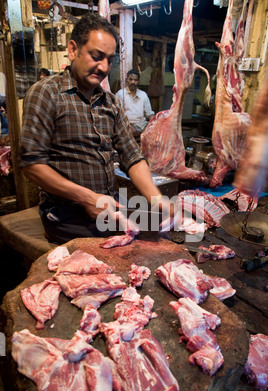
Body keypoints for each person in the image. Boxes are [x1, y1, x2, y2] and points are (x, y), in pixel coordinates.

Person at [19, 14, 173, 244]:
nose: (103, 67)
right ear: (73, 50)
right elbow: (32, 164)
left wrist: (156, 197)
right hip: (65, 215)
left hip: (107, 208)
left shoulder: (111, 102)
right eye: (96, 56)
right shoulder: (46, 94)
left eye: (109, 60)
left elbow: (132, 156)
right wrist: (86, 198)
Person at [115, 69, 154, 139]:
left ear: (138, 81)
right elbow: (118, 116)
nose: (133, 82)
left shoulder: (143, 95)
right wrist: (130, 127)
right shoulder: (120, 94)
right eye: (130, 79)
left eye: (135, 80)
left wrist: (155, 121)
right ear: (127, 80)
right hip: (127, 126)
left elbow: (149, 114)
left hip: (142, 126)